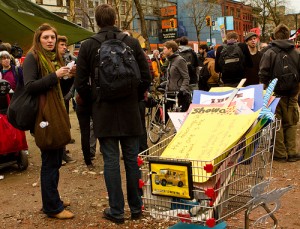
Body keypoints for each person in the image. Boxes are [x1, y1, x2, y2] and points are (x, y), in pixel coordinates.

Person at [74, 4, 151, 224]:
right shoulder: (131, 42)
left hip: (103, 110)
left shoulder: (88, 45)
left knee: (110, 160)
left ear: (97, 21)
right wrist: (134, 97)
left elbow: (80, 83)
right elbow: (146, 76)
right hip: (129, 110)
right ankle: (136, 207)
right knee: (131, 158)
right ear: (116, 18)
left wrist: (94, 101)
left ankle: (116, 210)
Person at [22, 23, 74, 219]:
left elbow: (57, 85)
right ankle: (52, 207)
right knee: (50, 162)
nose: (50, 40)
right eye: (46, 37)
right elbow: (30, 86)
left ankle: (53, 199)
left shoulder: (52, 58)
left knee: (55, 160)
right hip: (44, 116)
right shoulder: (33, 57)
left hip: (55, 112)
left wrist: (68, 75)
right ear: (38, 39)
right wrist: (55, 75)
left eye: (52, 37)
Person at [259, 24, 300, 162]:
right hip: (292, 94)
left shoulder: (269, 53)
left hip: (274, 93)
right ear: (289, 35)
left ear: (275, 36)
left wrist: (264, 91)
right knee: (292, 123)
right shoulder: (296, 52)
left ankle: (280, 154)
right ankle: (293, 152)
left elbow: (263, 74)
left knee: (277, 123)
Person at [57, 35, 76, 164]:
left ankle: (62, 149)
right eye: (62, 45)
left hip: (64, 96)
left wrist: (71, 74)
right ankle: (61, 153)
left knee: (64, 122)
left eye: (65, 45)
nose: (64, 47)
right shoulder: (53, 61)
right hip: (56, 98)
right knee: (58, 125)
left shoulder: (66, 59)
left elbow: (69, 80)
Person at [163, 40, 190, 113]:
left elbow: (186, 77)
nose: (163, 51)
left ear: (170, 49)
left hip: (179, 94)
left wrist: (182, 90)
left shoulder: (180, 60)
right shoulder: (170, 60)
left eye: (164, 48)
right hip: (170, 93)